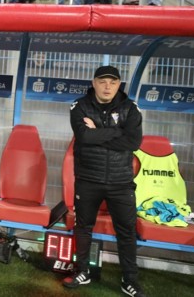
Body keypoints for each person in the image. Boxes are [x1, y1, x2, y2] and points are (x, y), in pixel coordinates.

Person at [65, 65, 144, 297]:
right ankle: (83, 271)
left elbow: (133, 143)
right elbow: (83, 136)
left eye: (113, 82)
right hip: (88, 179)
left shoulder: (131, 108)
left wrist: (98, 130)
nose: (107, 86)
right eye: (103, 81)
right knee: (83, 226)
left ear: (119, 84)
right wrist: (115, 132)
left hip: (121, 182)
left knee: (127, 231)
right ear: (94, 82)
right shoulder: (79, 106)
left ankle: (129, 280)